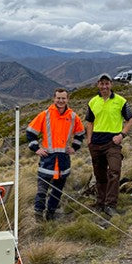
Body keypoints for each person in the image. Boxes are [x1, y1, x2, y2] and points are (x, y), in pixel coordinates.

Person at [26, 88, 85, 221]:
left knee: (57, 191)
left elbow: (80, 133)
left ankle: (51, 213)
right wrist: (36, 149)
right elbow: (30, 132)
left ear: (67, 99)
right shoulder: (45, 115)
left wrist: (75, 147)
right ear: (54, 99)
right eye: (58, 98)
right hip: (47, 160)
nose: (61, 100)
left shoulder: (73, 117)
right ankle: (38, 215)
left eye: (63, 98)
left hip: (63, 160)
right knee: (42, 190)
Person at [85, 73, 132, 216]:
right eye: (102, 83)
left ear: (111, 84)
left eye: (107, 83)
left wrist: (122, 135)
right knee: (99, 175)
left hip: (113, 143)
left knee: (114, 171)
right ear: (98, 85)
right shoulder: (93, 102)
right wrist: (89, 141)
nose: (104, 86)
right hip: (96, 144)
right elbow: (89, 122)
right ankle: (100, 202)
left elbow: (130, 119)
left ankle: (110, 205)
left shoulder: (121, 101)